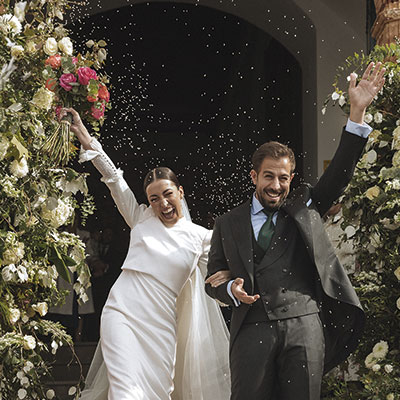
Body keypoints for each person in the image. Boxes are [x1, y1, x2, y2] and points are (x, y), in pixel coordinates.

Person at [205, 62, 386, 400]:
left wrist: (357, 113)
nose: (276, 185)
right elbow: (213, 278)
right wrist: (230, 287)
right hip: (251, 328)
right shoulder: (227, 222)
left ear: (291, 179)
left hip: (304, 326)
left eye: (283, 178)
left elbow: (339, 175)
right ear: (254, 176)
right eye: (269, 176)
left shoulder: (305, 204)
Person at [59, 108, 231, 399]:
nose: (162, 203)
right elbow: (114, 179)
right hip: (122, 313)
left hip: (162, 328)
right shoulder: (140, 218)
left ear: (181, 192)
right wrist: (86, 137)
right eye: (154, 198)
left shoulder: (203, 238)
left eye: (167, 194)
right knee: (125, 392)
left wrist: (232, 278)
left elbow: (228, 265)